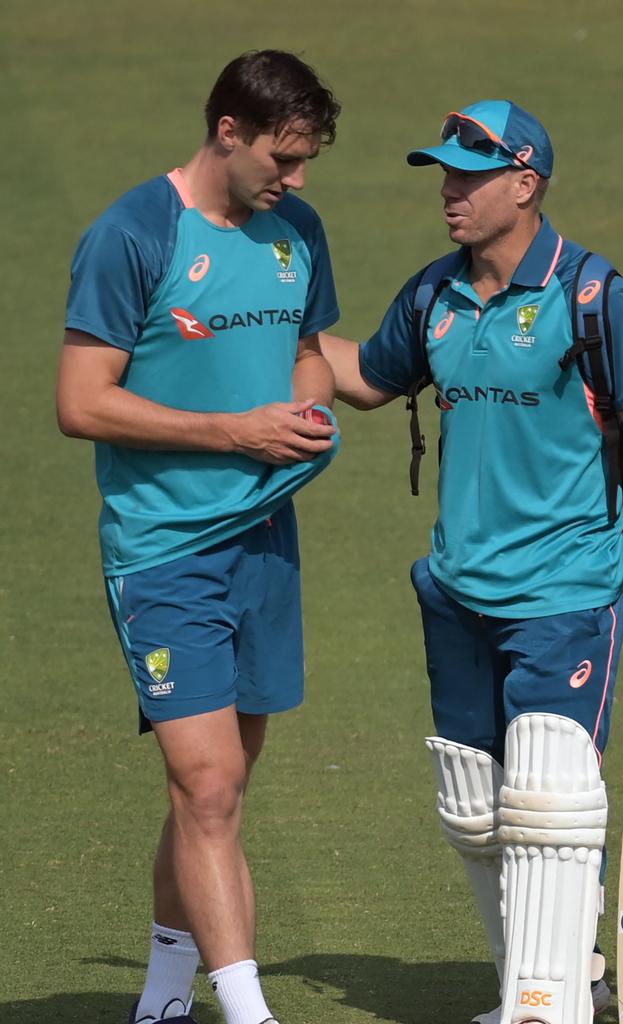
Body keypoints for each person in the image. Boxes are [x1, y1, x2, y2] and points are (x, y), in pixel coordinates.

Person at [320, 100, 623, 1023]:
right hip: (457, 589)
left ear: (524, 184)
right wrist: (256, 338)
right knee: (474, 804)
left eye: (469, 174)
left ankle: (547, 1005)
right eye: (444, 173)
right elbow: (369, 380)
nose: (449, 191)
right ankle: (561, 972)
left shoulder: (592, 295)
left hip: (568, 589)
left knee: (547, 796)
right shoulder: (434, 295)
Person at [57, 50, 342, 1024]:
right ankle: (248, 1010)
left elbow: (308, 357)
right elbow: (81, 401)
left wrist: (307, 423)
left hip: (265, 540)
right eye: (284, 158)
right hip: (164, 548)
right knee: (209, 784)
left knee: (211, 794)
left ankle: (164, 997)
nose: (296, 181)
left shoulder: (294, 229)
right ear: (229, 132)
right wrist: (232, 432)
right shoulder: (133, 235)